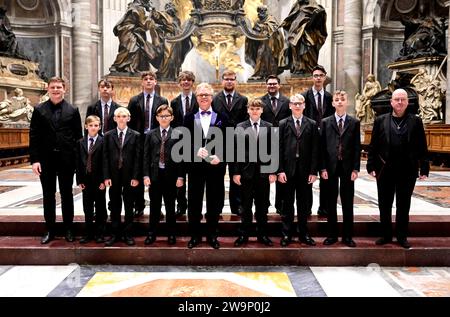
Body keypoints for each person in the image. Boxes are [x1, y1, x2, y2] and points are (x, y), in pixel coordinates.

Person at [367, 89, 429, 249]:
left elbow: (422, 146)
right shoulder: (380, 120)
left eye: (403, 99)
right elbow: (373, 145)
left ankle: (401, 236)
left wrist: (424, 168)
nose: (400, 102)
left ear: (408, 102)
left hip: (407, 170)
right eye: (397, 99)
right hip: (384, 169)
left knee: (404, 204)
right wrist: (371, 165)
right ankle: (386, 235)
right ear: (391, 102)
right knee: (384, 204)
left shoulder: (416, 121)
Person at [29, 77, 83, 244]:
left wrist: (76, 161)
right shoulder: (38, 110)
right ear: (48, 88)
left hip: (66, 160)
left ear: (64, 89)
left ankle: (68, 228)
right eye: (53, 87)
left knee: (67, 195)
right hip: (46, 160)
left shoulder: (73, 110)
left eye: (59, 87)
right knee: (48, 195)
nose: (56, 90)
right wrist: (35, 160)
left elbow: (78, 137)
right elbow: (34, 136)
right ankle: (50, 229)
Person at [184, 83, 228, 249]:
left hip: (215, 167)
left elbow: (229, 142)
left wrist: (221, 156)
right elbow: (183, 142)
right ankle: (194, 236)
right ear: (196, 98)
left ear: (212, 97)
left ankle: (212, 235)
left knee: (214, 202)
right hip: (195, 167)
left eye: (206, 95)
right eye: (201, 95)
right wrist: (195, 150)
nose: (203, 97)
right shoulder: (189, 118)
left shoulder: (222, 117)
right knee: (194, 201)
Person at [232, 99, 277, 247]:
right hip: (246, 172)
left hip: (264, 172)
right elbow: (236, 151)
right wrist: (236, 172)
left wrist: (272, 171)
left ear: (262, 110)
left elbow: (273, 150)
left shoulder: (269, 127)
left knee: (262, 206)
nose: (255, 111)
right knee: (246, 206)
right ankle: (244, 235)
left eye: (258, 108)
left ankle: (262, 235)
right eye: (252, 108)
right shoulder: (240, 127)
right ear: (248, 110)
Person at [320, 90, 360, 247]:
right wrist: (322, 167)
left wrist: (355, 168)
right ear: (333, 103)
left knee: (347, 202)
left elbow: (357, 147)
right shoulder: (325, 122)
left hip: (347, 167)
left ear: (347, 102)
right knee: (330, 202)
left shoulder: (354, 122)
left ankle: (348, 236)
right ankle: (332, 235)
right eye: (337, 99)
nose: (340, 101)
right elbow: (322, 147)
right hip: (330, 166)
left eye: (342, 99)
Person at [278, 94, 318, 247]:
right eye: (294, 103)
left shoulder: (312, 124)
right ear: (289, 106)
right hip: (287, 171)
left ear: (304, 105)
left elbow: (315, 149)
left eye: (300, 103)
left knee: (304, 205)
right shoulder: (282, 124)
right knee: (287, 204)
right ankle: (286, 234)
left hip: (305, 171)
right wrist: (279, 170)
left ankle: (304, 234)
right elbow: (278, 149)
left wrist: (313, 171)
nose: (297, 106)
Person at [128, 71, 168, 217]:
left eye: (152, 79)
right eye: (146, 79)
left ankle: (157, 206)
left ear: (156, 82)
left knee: (156, 172)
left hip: (156, 139)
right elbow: (130, 123)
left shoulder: (162, 100)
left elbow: (165, 119)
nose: (149, 81)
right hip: (139, 138)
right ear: (142, 82)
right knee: (138, 170)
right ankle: (138, 205)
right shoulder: (134, 100)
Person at [143, 105, 184, 245]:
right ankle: (151, 234)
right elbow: (146, 156)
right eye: (161, 116)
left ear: (172, 117)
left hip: (171, 176)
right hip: (155, 175)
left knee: (170, 207)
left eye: (166, 116)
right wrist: (146, 175)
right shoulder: (150, 134)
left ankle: (171, 234)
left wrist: (180, 176)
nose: (164, 118)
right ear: (157, 118)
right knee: (154, 207)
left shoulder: (177, 134)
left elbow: (180, 158)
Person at [103, 107, 142, 246]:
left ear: (129, 118)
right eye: (118, 116)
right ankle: (115, 233)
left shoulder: (136, 135)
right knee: (114, 204)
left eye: (124, 116)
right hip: (113, 176)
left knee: (129, 205)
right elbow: (105, 157)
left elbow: (138, 157)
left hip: (129, 176)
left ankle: (128, 234)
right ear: (114, 119)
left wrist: (136, 176)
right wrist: (106, 176)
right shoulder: (108, 135)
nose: (121, 118)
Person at [212, 70, 248, 216]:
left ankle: (236, 205)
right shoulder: (215, 99)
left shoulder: (243, 99)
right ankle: (217, 206)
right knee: (218, 177)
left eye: (232, 79)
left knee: (236, 175)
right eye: (226, 79)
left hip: (237, 143)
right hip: (219, 143)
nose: (229, 81)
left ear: (236, 81)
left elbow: (245, 122)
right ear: (222, 81)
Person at [303, 65, 334, 216]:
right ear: (312, 77)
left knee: (325, 175)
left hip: (326, 140)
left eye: (321, 75)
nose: (318, 78)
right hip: (309, 140)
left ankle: (324, 208)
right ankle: (306, 208)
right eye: (315, 75)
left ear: (324, 77)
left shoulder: (329, 97)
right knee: (308, 175)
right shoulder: (305, 96)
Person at [259, 75, 291, 213]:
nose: (271, 86)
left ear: (279, 85)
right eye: (269, 84)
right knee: (264, 175)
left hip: (282, 141)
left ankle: (281, 204)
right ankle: (264, 204)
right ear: (266, 85)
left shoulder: (287, 101)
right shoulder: (260, 101)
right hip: (265, 142)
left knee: (281, 173)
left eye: (274, 84)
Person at [171, 71, 199, 218]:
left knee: (194, 177)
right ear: (180, 83)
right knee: (179, 176)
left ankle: (194, 206)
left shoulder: (198, 100)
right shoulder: (174, 102)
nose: (186, 82)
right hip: (179, 144)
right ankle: (181, 205)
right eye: (183, 80)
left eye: (189, 80)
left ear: (192, 82)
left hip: (195, 143)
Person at [75, 115, 107, 244]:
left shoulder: (103, 141)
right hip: (86, 180)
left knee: (100, 207)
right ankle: (88, 233)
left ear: (99, 127)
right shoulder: (80, 142)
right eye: (91, 125)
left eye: (96, 126)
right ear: (86, 126)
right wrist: (79, 181)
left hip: (99, 180)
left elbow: (105, 162)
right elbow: (77, 163)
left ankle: (100, 233)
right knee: (87, 208)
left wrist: (104, 180)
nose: (93, 128)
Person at [109, 0, 159, 73]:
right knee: (130, 49)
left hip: (127, 31)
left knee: (138, 50)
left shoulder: (134, 6)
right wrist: (151, 14)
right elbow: (144, 24)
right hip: (129, 31)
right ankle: (118, 66)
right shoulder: (139, 8)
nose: (149, 3)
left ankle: (130, 67)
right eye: (148, 2)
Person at [280, 0, 327, 75]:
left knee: (308, 51)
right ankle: (298, 68)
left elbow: (319, 24)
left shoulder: (315, 7)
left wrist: (315, 16)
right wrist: (286, 22)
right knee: (295, 51)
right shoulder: (296, 6)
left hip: (308, 33)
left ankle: (309, 68)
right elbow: (290, 18)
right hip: (294, 33)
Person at [151, 2, 193, 81]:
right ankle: (164, 74)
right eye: (170, 7)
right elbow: (156, 16)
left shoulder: (177, 19)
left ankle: (173, 74)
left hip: (177, 41)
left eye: (173, 7)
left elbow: (180, 30)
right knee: (167, 56)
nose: (173, 9)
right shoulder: (164, 15)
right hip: (169, 40)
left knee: (175, 59)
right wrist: (153, 11)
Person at [245, 5, 284, 80]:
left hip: (271, 43)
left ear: (265, 11)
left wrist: (261, 27)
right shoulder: (258, 21)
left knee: (270, 58)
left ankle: (271, 74)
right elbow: (254, 32)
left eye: (261, 11)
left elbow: (274, 28)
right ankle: (259, 73)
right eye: (259, 12)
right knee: (260, 56)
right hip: (261, 43)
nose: (259, 14)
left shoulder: (271, 18)